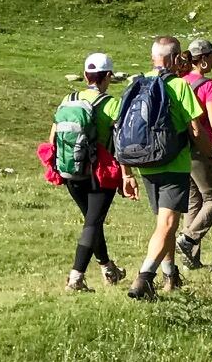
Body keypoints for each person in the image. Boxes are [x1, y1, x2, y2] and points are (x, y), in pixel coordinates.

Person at [124, 37, 207, 299]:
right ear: (172, 60)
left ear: (153, 58)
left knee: (165, 224)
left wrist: (126, 172)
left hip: (144, 163)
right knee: (168, 224)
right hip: (173, 162)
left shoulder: (135, 84)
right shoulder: (179, 86)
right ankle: (144, 278)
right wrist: (208, 151)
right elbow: (195, 127)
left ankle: (170, 275)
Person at [53, 52, 129, 293]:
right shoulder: (111, 104)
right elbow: (121, 142)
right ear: (108, 76)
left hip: (70, 172)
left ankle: (109, 269)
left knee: (92, 222)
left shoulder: (69, 99)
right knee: (92, 223)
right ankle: (76, 278)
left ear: (85, 75)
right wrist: (127, 175)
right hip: (99, 174)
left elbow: (53, 134)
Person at [175, 39, 212, 270]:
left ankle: (191, 258)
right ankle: (188, 240)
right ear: (201, 61)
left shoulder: (180, 82)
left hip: (181, 150)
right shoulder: (207, 85)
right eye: (211, 56)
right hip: (200, 149)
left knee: (193, 202)